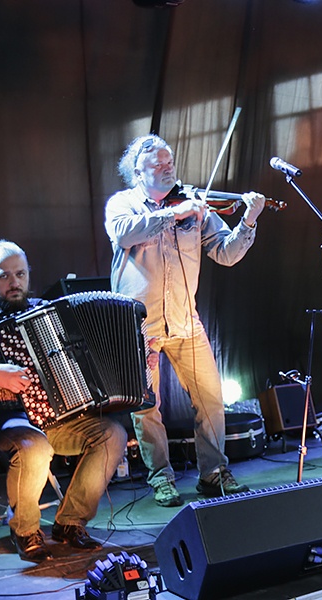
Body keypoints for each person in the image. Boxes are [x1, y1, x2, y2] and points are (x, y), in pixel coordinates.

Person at [0, 240, 127, 562]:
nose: (14, 282)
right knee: (34, 445)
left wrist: (136, 353)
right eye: (4, 276)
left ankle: (70, 522)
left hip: (54, 418)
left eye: (20, 274)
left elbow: (86, 355)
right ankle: (24, 530)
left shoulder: (46, 312)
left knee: (111, 434)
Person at [105, 134, 264, 506]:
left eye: (170, 164)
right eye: (158, 165)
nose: (167, 170)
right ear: (137, 170)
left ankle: (213, 472)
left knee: (210, 398)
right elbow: (123, 233)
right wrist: (172, 214)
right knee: (146, 407)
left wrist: (249, 221)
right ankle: (161, 477)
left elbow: (226, 254)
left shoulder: (195, 208)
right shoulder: (123, 204)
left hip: (185, 321)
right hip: (138, 326)